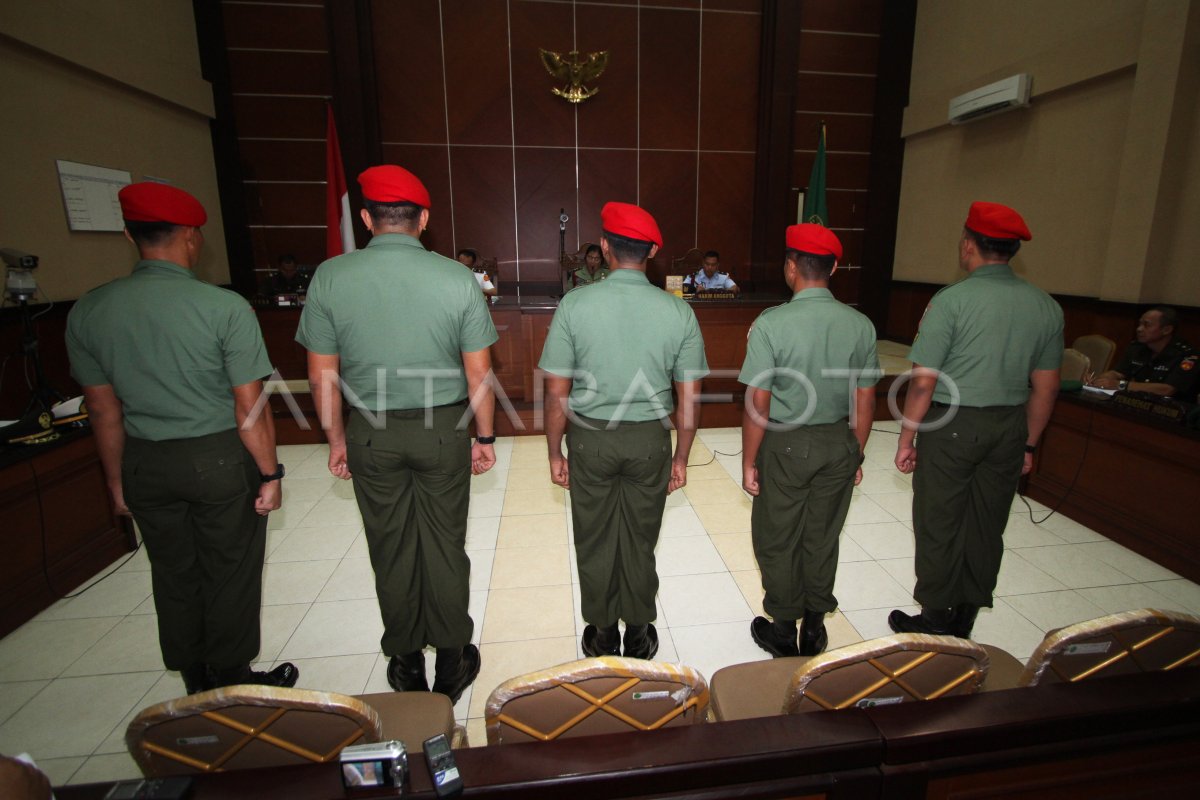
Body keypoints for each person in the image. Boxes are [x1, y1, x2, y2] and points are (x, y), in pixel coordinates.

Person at [65, 182, 297, 695]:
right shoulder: (222, 308)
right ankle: (233, 683)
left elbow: (103, 410)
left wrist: (117, 481)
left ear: (130, 235)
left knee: (172, 573)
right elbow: (249, 406)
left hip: (144, 461)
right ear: (192, 237)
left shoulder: (90, 310)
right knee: (230, 571)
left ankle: (196, 685)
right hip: (216, 458)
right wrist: (269, 473)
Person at [297, 165, 497, 703]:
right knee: (444, 545)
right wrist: (484, 437)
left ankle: (407, 661)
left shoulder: (331, 277)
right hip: (442, 430)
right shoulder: (458, 278)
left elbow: (322, 376)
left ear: (365, 218)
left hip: (371, 432)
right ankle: (453, 659)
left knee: (390, 545)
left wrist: (337, 439)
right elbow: (478, 372)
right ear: (424, 220)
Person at [540, 202, 708, 659]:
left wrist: (555, 452)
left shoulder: (575, 304)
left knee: (594, 536)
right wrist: (681, 457)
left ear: (607, 248)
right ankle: (638, 631)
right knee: (640, 535)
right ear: (652, 251)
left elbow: (556, 392)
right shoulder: (678, 314)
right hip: (650, 440)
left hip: (591, 438)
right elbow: (689, 400)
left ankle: (602, 632)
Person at [889, 201, 1063, 639]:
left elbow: (924, 383)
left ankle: (934, 616)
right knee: (988, 521)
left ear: (969, 245)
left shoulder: (952, 301)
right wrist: (1028, 444)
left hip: (952, 426)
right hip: (1009, 426)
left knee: (938, 518)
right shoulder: (1045, 306)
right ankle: (966, 612)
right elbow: (1046, 388)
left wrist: (907, 437)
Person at [739, 224, 880, 657]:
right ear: (834, 267)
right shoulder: (860, 325)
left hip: (785, 445)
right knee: (822, 534)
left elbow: (758, 402)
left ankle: (784, 628)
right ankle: (815, 626)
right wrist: (855, 451)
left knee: (777, 535)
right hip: (839, 440)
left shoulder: (771, 324)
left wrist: (749, 461)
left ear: (790, 267)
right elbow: (865, 397)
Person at [1087, 306, 1198, 399]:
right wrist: (1103, 379)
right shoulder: (1136, 348)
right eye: (1139, 324)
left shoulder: (1187, 355)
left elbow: (1167, 389)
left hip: (1173, 413)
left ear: (1167, 330)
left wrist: (1121, 385)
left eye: (1147, 325)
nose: (1139, 329)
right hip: (1137, 403)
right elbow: (1118, 372)